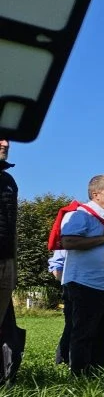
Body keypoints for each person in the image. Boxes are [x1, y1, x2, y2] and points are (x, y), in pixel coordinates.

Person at [59, 174, 104, 376]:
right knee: (83, 334)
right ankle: (79, 377)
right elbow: (68, 242)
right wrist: (102, 238)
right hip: (87, 284)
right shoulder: (81, 215)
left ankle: (97, 373)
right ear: (96, 194)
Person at [0, 139, 16, 331]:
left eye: (7, 138)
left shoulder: (8, 181)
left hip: (6, 262)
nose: (5, 143)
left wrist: (13, 267)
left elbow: (13, 225)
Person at [48, 249, 70, 365]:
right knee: (72, 325)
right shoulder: (67, 232)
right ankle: (62, 360)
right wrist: (67, 283)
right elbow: (57, 265)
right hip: (73, 286)